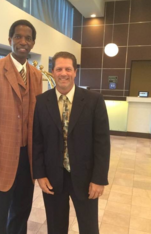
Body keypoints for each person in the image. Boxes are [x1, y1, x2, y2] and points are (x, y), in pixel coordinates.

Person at [0, 20, 42, 234]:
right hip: (0, 156)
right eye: (18, 37)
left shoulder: (36, 75)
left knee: (22, 211)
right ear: (10, 40)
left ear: (33, 43)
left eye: (28, 38)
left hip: (28, 157)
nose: (23, 42)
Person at [33, 52, 110, 234]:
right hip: (53, 177)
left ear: (75, 72)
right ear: (53, 72)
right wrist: (40, 174)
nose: (63, 73)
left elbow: (102, 143)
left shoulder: (94, 100)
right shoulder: (42, 101)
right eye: (59, 69)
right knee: (56, 227)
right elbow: (37, 141)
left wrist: (99, 179)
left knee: (89, 227)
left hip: (85, 178)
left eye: (68, 69)